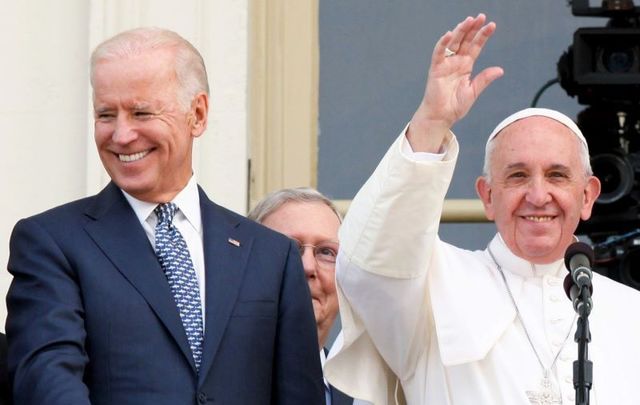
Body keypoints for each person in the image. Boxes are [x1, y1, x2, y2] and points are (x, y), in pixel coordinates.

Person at [324, 13, 640, 405]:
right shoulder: (429, 290)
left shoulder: (632, 315)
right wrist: (431, 123)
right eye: (518, 176)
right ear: (487, 196)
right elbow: (371, 263)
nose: (538, 196)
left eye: (557, 175)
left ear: (589, 196)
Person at [5, 27, 324, 405]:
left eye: (142, 112)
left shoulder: (271, 255)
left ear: (198, 114)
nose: (122, 135)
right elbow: (47, 382)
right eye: (106, 114)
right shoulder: (51, 243)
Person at [248, 187, 354, 405]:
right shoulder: (218, 381)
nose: (307, 267)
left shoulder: (367, 394)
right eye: (290, 250)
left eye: (326, 252)